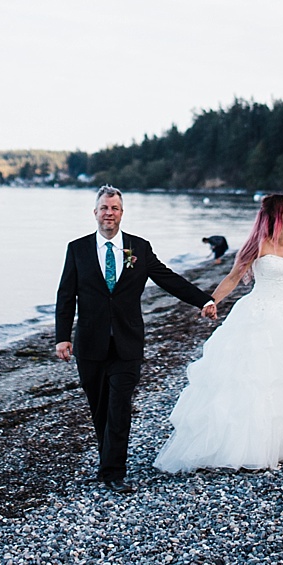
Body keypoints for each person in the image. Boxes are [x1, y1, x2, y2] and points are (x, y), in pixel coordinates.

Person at [154, 193, 283, 474]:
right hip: (260, 313)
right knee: (260, 377)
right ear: (276, 214)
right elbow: (234, 277)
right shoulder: (257, 244)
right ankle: (258, 442)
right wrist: (211, 301)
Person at [55, 185, 217, 493]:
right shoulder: (77, 249)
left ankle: (114, 472)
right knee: (99, 407)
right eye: (104, 208)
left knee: (119, 406)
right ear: (95, 212)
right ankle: (108, 461)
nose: (109, 213)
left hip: (127, 343)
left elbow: (168, 278)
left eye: (114, 208)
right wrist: (62, 337)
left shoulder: (139, 248)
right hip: (90, 343)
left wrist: (203, 301)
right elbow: (66, 296)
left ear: (121, 213)